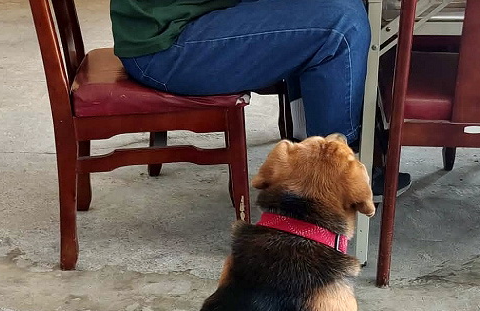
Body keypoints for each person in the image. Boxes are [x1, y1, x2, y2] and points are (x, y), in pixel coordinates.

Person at [110, 0, 410, 198]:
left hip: (169, 25)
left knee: (331, 9)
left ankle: (311, 151)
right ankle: (332, 173)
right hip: (167, 47)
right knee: (341, 25)